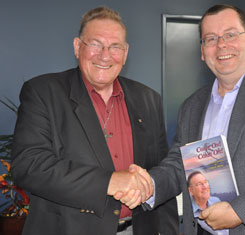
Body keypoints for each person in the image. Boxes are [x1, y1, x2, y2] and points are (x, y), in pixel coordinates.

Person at [120, 3, 245, 235]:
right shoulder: (192, 105)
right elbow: (179, 163)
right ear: (203, 52)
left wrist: (241, 211)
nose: (222, 44)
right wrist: (149, 185)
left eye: (231, 34)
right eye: (211, 39)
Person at [11, 6, 179, 235]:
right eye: (96, 44)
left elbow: (162, 171)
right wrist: (109, 182)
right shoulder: (43, 92)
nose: (105, 55)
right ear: (77, 47)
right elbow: (29, 165)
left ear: (126, 53)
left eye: (114, 47)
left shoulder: (149, 99)